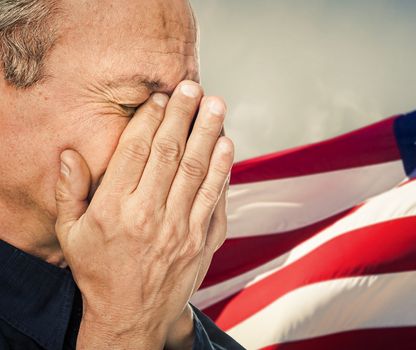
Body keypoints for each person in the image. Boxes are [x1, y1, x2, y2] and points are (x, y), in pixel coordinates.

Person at [0, 0, 245, 348]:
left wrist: (169, 319)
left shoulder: (183, 330)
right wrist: (125, 327)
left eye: (187, 108)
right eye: (133, 105)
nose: (178, 140)